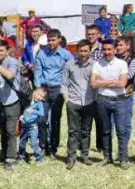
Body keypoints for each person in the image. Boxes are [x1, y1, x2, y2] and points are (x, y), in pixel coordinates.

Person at [91, 39, 130, 168]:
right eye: (104, 49)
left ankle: (123, 159)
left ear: (114, 49)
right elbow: (93, 83)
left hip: (119, 99)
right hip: (102, 99)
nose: (106, 52)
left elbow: (122, 83)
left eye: (109, 49)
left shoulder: (122, 64)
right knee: (105, 130)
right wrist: (113, 82)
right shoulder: (97, 64)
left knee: (121, 130)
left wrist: (103, 82)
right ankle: (107, 157)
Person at [34, 29, 73, 158]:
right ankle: (42, 145)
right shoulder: (41, 54)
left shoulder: (66, 55)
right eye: (49, 40)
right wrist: (38, 88)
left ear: (59, 39)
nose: (51, 42)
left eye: (53, 40)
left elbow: (71, 72)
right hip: (44, 89)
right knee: (41, 118)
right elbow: (37, 72)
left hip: (58, 89)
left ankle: (53, 148)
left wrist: (66, 89)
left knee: (55, 120)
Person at [62, 40, 95, 169]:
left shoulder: (94, 65)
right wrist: (67, 100)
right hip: (73, 102)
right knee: (73, 131)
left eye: (85, 51)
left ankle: (85, 156)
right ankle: (71, 158)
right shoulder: (69, 64)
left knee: (86, 130)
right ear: (76, 51)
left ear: (89, 51)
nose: (82, 53)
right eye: (80, 51)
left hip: (89, 102)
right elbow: (64, 83)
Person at [0, 42, 22, 171]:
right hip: (0, 102)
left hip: (12, 100)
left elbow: (10, 75)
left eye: (2, 50)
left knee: (10, 131)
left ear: (7, 50)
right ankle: (5, 154)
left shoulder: (12, 62)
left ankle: (11, 158)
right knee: (3, 130)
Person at [16, 87, 46, 165]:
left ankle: (39, 159)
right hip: (24, 126)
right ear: (34, 93)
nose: (40, 97)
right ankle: (21, 158)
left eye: (42, 97)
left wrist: (33, 111)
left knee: (34, 143)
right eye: (39, 95)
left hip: (33, 127)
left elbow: (42, 113)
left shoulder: (39, 103)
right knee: (22, 142)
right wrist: (21, 116)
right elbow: (23, 110)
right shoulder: (27, 101)